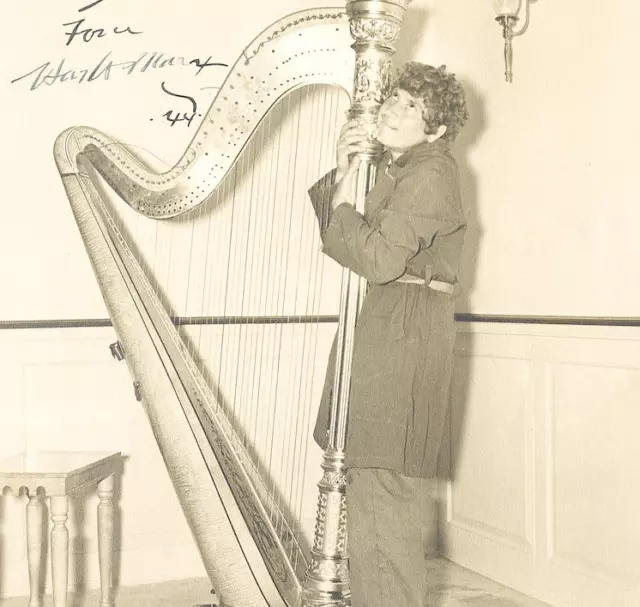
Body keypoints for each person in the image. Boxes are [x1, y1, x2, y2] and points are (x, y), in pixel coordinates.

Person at [307, 62, 469, 607]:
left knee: (384, 498)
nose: (394, 109)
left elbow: (373, 257)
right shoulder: (402, 169)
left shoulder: (431, 173)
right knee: (373, 501)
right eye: (395, 98)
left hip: (403, 335)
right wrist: (345, 165)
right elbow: (349, 238)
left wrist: (349, 199)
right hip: (386, 327)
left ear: (437, 130)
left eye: (413, 109)